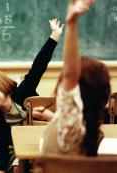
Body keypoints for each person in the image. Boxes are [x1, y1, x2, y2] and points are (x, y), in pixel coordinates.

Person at [0, 19, 63, 173]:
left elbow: (39, 65)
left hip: (41, 142)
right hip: (15, 151)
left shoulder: (23, 92)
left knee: (18, 169)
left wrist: (55, 35)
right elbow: (1, 149)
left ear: (3, 86)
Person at [34, 0, 111, 156]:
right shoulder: (89, 127)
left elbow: (70, 75)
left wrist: (71, 22)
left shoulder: (72, 130)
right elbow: (71, 113)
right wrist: (51, 116)